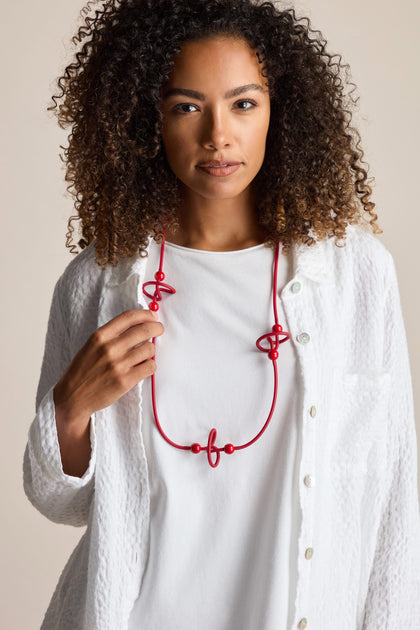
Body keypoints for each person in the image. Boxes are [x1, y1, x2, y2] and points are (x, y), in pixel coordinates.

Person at [23, 0, 420, 628]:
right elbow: (58, 502)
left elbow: (397, 500)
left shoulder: (355, 276)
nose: (218, 135)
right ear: (146, 117)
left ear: (278, 113)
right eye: (187, 106)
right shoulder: (97, 283)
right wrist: (70, 410)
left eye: (243, 103)